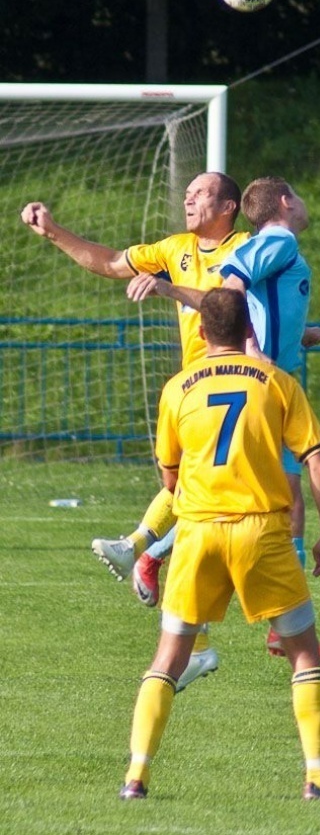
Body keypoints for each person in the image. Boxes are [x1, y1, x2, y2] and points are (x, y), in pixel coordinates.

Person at [119, 287, 320, 802]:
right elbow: (316, 462)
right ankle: (318, 779)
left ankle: (136, 777)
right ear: (250, 330)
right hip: (261, 532)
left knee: (168, 658)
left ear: (201, 332)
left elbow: (169, 476)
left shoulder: (178, 388)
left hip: (198, 534)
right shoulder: (277, 382)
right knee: (304, 655)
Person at [21, 171, 249, 690]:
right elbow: (109, 262)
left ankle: (145, 551)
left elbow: (236, 304)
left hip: (241, 382)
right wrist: (54, 230)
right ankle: (152, 563)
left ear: (230, 205)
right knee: (189, 493)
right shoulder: (174, 248)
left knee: (220, 504)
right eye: (187, 192)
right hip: (197, 386)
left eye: (202, 192)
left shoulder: (250, 249)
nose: (189, 198)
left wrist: (296, 330)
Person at [126, 176, 320, 661]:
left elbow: (260, 301)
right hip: (264, 387)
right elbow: (232, 287)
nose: (305, 203)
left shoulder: (276, 245)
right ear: (286, 200)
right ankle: (153, 555)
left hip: (268, 379)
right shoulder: (279, 239)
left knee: (285, 498)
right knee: (264, 498)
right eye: (300, 194)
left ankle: (276, 626)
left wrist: (303, 333)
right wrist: (256, 350)